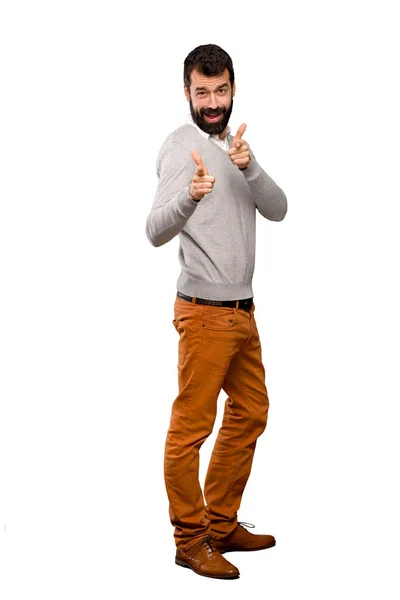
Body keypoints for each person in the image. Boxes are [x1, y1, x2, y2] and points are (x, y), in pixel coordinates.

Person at [145, 44, 287, 580]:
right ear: (187, 92)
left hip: (243, 312)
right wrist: (190, 199)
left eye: (220, 90)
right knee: (190, 430)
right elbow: (155, 229)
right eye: (201, 92)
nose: (211, 101)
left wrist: (248, 169)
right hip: (203, 312)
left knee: (252, 412)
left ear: (232, 90)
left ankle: (222, 522)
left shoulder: (235, 145)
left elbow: (279, 209)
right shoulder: (181, 148)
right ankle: (190, 539)